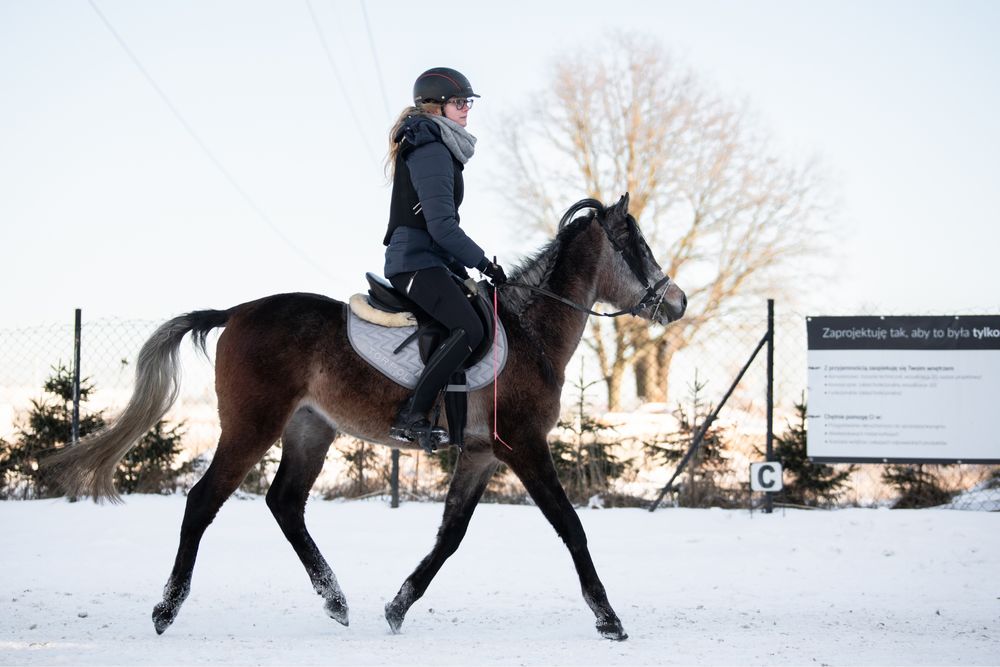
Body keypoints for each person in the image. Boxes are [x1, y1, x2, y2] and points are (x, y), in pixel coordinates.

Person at [382, 67, 506, 451]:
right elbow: (442, 227)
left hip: (429, 259)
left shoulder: (436, 145)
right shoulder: (432, 149)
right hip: (414, 262)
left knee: (468, 320)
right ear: (435, 107)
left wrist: (461, 268)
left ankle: (454, 425)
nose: (466, 108)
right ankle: (412, 415)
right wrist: (484, 264)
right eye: (458, 102)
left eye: (467, 102)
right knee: (470, 328)